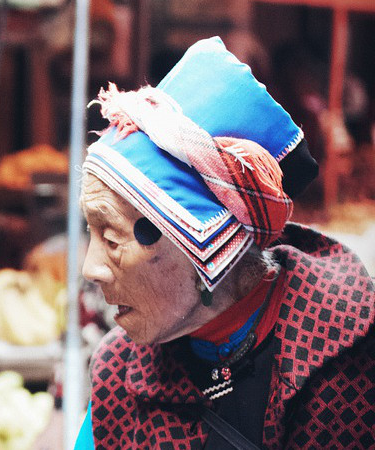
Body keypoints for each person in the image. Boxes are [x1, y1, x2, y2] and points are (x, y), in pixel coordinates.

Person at [74, 37, 374, 449]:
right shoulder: (118, 374)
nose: (90, 268)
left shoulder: (344, 367)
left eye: (111, 237)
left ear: (206, 245)